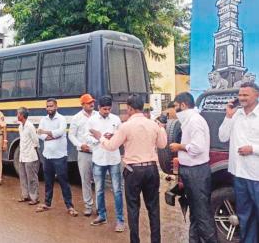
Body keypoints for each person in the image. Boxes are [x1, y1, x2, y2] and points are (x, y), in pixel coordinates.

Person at [99, 94, 167, 243]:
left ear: (129, 108)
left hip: (133, 171)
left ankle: (135, 240)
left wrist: (101, 138)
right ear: (142, 107)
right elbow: (162, 145)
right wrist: (161, 129)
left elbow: (111, 146)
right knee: (153, 208)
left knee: (133, 208)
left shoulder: (126, 126)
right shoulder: (153, 124)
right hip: (151, 169)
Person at [169, 92, 217, 243]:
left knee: (202, 216)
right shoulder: (189, 120)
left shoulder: (195, 121)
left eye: (176, 106)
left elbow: (197, 148)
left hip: (197, 173)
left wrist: (179, 147)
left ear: (183, 105)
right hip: (191, 171)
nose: (174, 110)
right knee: (195, 214)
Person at [219, 82, 259, 242]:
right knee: (244, 216)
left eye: (245, 95)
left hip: (257, 176)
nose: (241, 98)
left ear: (256, 95)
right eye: (240, 95)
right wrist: (228, 116)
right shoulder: (235, 115)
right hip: (239, 174)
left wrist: (253, 149)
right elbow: (222, 137)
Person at [87, 95, 125, 232]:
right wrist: (100, 138)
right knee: (99, 189)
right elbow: (88, 138)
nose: (107, 111)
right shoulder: (91, 120)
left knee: (117, 190)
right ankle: (102, 216)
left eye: (109, 109)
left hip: (114, 159)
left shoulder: (116, 119)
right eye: (104, 109)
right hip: (98, 159)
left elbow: (121, 137)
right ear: (99, 108)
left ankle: (120, 220)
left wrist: (112, 137)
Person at [35, 98, 78, 217]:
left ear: (56, 107)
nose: (49, 108)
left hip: (60, 156)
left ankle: (70, 206)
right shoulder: (43, 119)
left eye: (51, 106)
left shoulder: (62, 119)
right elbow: (40, 133)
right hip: (47, 155)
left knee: (64, 181)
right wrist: (48, 135)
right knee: (48, 181)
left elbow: (60, 132)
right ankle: (47, 203)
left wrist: (46, 132)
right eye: (47, 106)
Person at [68, 93, 97, 216]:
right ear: (83, 105)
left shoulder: (97, 116)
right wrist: (80, 145)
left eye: (92, 102)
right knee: (85, 180)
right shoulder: (77, 118)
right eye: (89, 102)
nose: (92, 104)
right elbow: (71, 135)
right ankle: (88, 206)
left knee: (99, 180)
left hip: (97, 153)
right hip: (84, 153)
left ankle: (100, 207)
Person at [17, 107, 40, 205]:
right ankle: (25, 195)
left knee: (32, 178)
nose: (17, 116)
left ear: (22, 115)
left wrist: (32, 150)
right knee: (22, 177)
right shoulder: (20, 127)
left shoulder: (30, 126)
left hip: (30, 156)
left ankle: (34, 198)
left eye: (18, 114)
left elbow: (36, 141)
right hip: (22, 156)